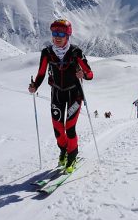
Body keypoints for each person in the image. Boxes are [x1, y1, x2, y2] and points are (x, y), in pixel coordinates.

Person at [28, 19, 93, 173]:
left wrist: (82, 73)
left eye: (61, 34)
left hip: (74, 94)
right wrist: (35, 86)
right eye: (54, 33)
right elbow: (41, 73)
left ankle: (72, 156)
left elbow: (90, 74)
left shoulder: (76, 52)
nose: (57, 37)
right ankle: (63, 150)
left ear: (68, 35)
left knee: (69, 128)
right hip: (57, 93)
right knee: (58, 129)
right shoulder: (47, 53)